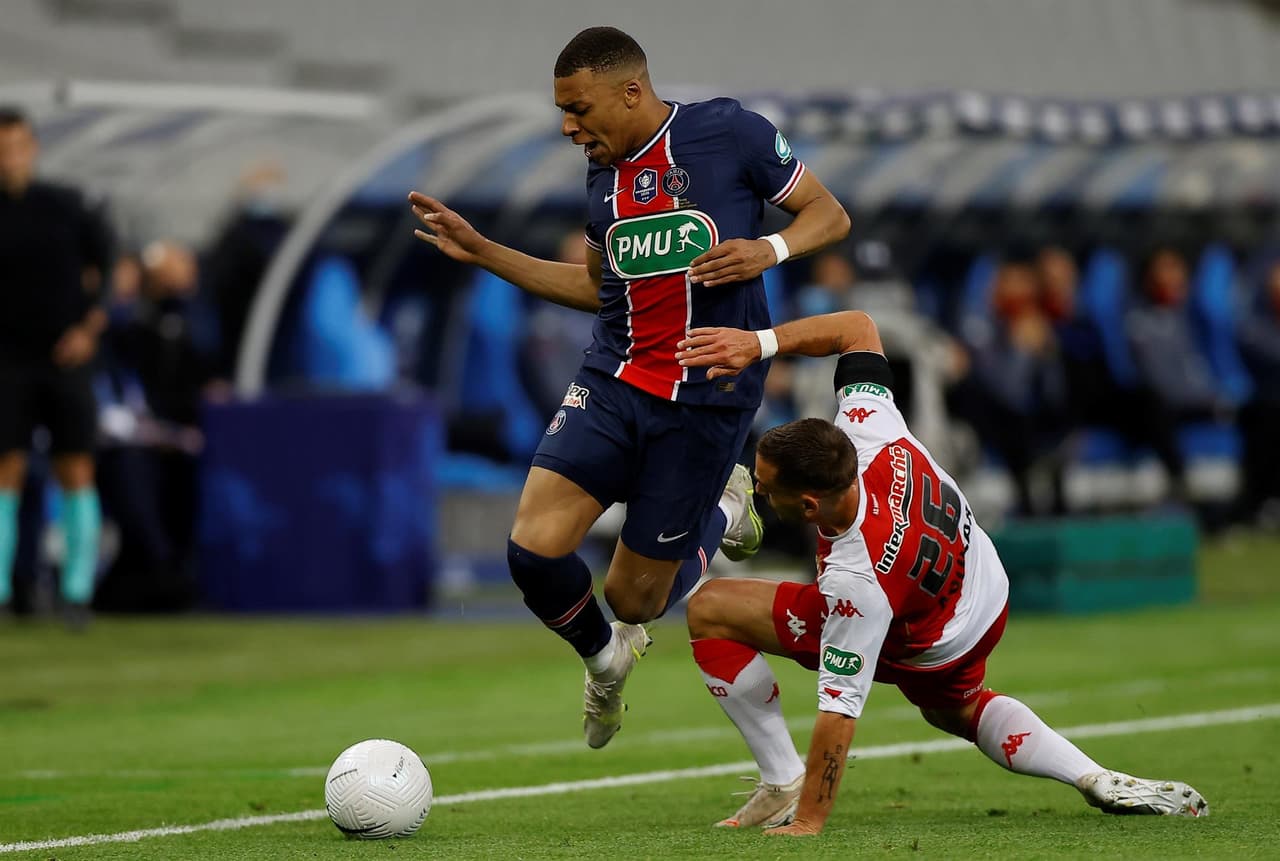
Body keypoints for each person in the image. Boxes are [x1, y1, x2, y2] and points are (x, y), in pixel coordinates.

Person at [408, 26, 850, 748]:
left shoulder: (729, 132)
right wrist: (483, 251)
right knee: (532, 549)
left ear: (631, 91)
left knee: (631, 595)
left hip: (707, 391)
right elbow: (595, 286)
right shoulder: (601, 174)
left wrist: (766, 249)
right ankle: (604, 659)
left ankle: (720, 509)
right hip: (613, 379)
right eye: (562, 110)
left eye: (579, 108)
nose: (567, 125)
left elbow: (829, 215)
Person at [674, 310, 1209, 834]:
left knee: (710, 609)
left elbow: (839, 715)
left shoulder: (855, 582)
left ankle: (782, 780)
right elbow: (858, 327)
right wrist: (758, 344)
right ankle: (1091, 775)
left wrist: (810, 822)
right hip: (984, 588)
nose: (759, 492)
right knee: (958, 709)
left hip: (928, 641)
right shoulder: (868, 428)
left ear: (811, 505)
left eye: (767, 486)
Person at [0, 106, 114, 624]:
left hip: (65, 358)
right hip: (8, 361)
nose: (10, 156)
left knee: (76, 468)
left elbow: (109, 268)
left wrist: (88, 329)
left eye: (17, 144)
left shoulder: (66, 205)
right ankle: (3, 592)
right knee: (7, 470)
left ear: (33, 147)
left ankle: (76, 591)